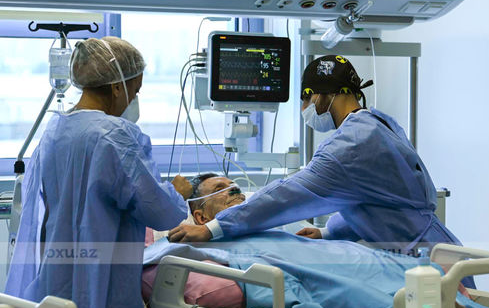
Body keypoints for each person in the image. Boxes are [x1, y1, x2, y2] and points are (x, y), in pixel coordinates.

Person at [169, 55, 470, 284]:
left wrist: (213, 228)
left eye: (306, 99)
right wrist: (328, 232)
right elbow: (376, 203)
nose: (305, 109)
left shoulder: (350, 146)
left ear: (322, 95)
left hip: (426, 265)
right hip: (438, 253)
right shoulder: (377, 124)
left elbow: (284, 197)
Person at [5, 37, 192, 308]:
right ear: (117, 87)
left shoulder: (55, 131)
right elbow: (161, 211)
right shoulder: (116, 137)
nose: (135, 99)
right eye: (135, 90)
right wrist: (177, 192)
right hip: (104, 285)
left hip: (56, 277)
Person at [172, 173, 489, 308]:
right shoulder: (211, 245)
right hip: (320, 273)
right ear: (201, 216)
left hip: (342, 256)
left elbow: (341, 217)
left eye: (236, 186)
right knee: (364, 290)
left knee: (405, 269)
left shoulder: (268, 223)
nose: (235, 191)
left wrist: (323, 235)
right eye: (222, 190)